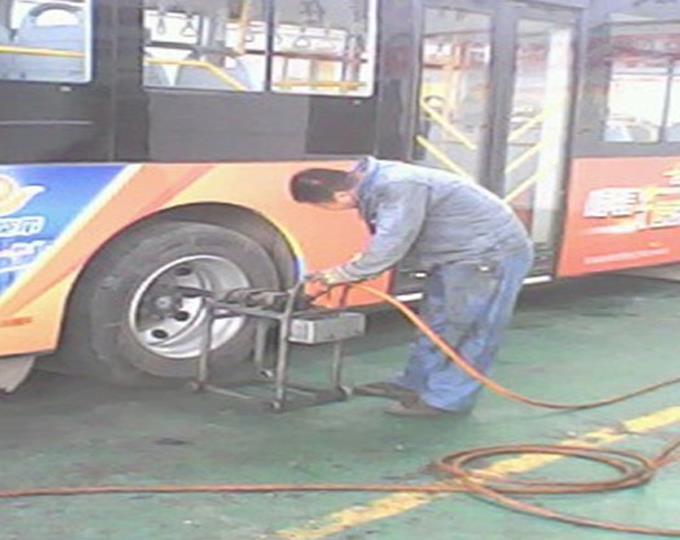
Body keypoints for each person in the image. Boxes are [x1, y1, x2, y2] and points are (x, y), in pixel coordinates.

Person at [289, 157, 534, 417]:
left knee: (469, 328)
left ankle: (447, 400)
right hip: (453, 256)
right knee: (436, 323)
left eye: (323, 207)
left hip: (488, 257)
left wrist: (342, 274)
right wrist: (362, 265)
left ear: (340, 196)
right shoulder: (371, 182)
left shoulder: (398, 185)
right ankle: (415, 383)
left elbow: (393, 240)